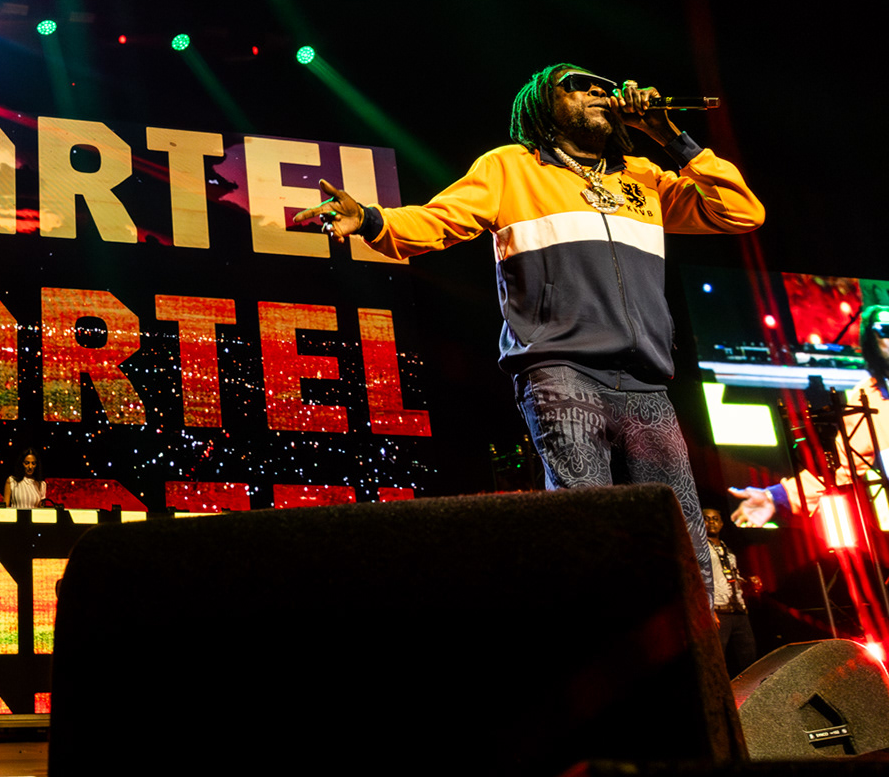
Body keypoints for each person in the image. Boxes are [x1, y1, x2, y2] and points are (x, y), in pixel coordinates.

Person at [308, 64, 764, 582]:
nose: (597, 91)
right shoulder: (510, 168)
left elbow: (741, 212)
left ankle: (696, 634)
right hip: (561, 367)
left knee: (681, 530)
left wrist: (669, 136)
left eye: (603, 86)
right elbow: (437, 221)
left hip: (646, 378)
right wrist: (370, 219)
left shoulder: (643, 178)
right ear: (543, 104)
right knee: (586, 520)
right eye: (577, 86)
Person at [733, 304, 889, 527]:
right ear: (872, 342)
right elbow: (843, 466)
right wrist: (775, 497)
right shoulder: (869, 397)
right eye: (886, 329)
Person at [703, 507, 760, 675]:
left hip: (738, 611)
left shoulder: (727, 550)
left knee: (749, 660)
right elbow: (696, 580)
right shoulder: (698, 549)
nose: (711, 522)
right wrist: (708, 609)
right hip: (718, 612)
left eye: (715, 519)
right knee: (717, 660)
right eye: (706, 518)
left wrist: (748, 582)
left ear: (721, 524)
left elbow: (730, 576)